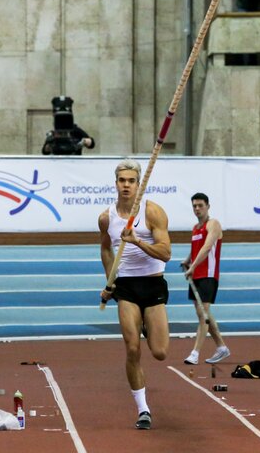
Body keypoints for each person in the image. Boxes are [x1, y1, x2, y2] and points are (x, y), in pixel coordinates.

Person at [99, 158, 171, 430]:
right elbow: (106, 248)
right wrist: (110, 280)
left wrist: (137, 241)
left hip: (153, 284)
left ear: (138, 183)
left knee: (160, 352)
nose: (126, 185)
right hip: (127, 287)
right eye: (122, 181)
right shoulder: (106, 217)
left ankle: (147, 325)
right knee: (132, 348)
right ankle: (143, 410)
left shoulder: (153, 212)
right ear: (116, 183)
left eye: (131, 181)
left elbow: (166, 252)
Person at [181, 193, 230, 366]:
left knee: (203, 316)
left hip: (208, 275)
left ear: (208, 206)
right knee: (204, 314)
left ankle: (195, 353)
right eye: (194, 206)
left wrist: (193, 266)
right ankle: (222, 347)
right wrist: (188, 261)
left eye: (200, 205)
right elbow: (196, 247)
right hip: (196, 276)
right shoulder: (195, 227)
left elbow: (208, 246)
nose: (197, 209)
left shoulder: (213, 224)